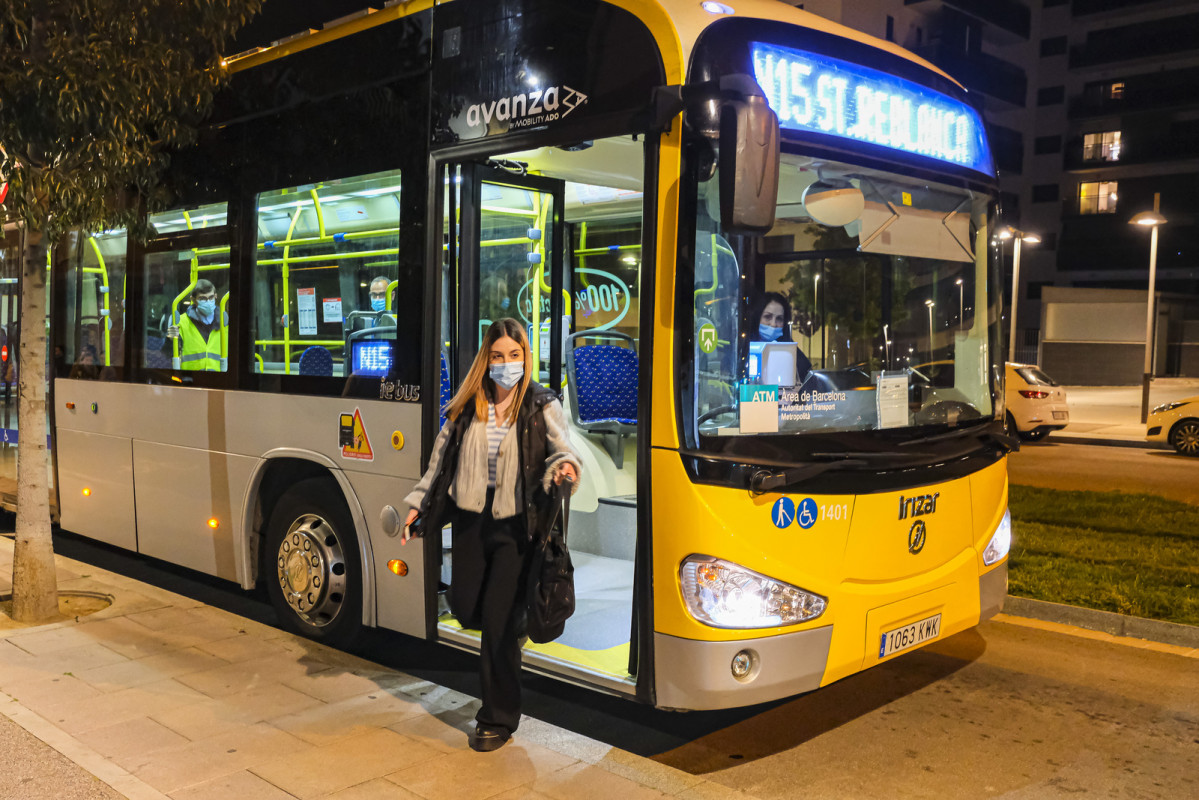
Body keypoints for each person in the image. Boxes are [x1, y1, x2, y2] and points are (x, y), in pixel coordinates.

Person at [403, 318, 581, 752]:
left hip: (515, 529)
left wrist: (565, 467)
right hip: (470, 523)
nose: (506, 364)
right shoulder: (467, 407)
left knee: (497, 627)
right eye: (498, 356)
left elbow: (565, 449)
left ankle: (497, 718)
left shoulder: (541, 405)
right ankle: (509, 620)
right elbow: (438, 463)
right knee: (465, 607)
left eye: (514, 356)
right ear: (487, 360)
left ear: (525, 357)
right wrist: (416, 505)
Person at [743, 291, 812, 382]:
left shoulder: (791, 351)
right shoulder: (743, 349)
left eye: (779, 319)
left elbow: (806, 376)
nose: (773, 324)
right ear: (757, 318)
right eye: (767, 317)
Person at [166, 279, 223, 371]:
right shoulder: (181, 322)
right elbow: (167, 354)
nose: (208, 302)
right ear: (193, 299)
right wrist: (169, 339)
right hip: (190, 378)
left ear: (216, 296)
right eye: (202, 299)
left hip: (219, 379)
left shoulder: (225, 322)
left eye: (211, 297)